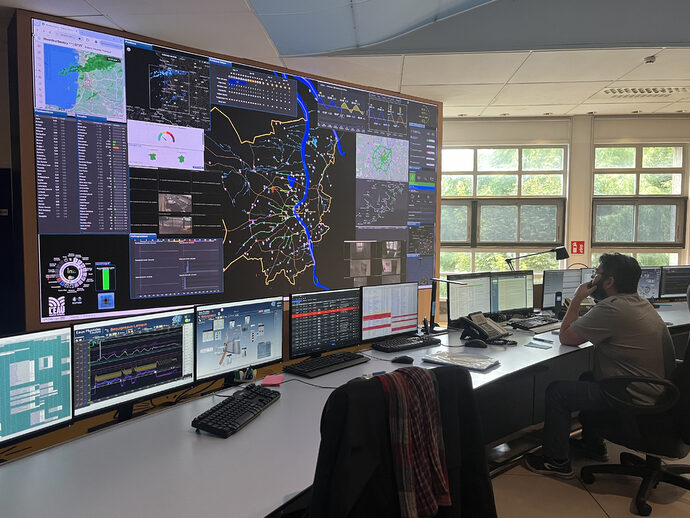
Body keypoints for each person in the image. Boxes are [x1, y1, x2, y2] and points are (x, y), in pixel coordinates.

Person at [525, 253, 675, 478]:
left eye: (596, 273)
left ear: (609, 281)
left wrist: (576, 299)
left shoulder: (613, 308)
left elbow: (566, 337)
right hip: (657, 391)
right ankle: (593, 446)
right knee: (588, 377)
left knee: (558, 392)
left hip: (634, 396)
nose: (593, 277)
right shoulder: (639, 302)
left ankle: (556, 461)